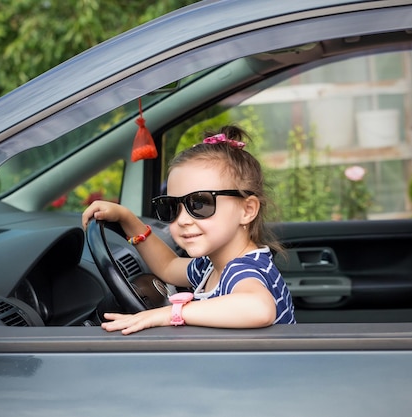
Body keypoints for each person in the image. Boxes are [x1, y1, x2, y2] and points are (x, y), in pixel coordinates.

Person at [82, 125, 295, 334]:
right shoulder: (210, 266)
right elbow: (168, 266)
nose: (183, 219)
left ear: (247, 210)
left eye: (200, 204)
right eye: (172, 207)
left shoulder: (242, 270)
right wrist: (127, 219)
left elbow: (259, 308)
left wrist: (169, 314)